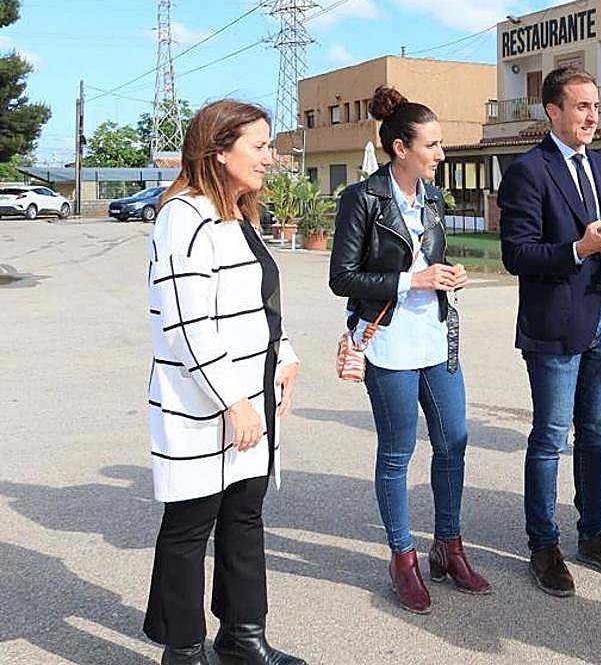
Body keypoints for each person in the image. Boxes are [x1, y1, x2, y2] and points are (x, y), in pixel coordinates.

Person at [144, 100, 304, 665]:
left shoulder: (241, 214)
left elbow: (259, 299)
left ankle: (242, 635)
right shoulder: (181, 218)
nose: (270, 156)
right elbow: (186, 324)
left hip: (251, 393)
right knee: (191, 523)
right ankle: (183, 649)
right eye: (259, 146)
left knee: (244, 515)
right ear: (218, 149)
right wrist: (233, 400)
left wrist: (283, 357)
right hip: (203, 401)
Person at [328, 86, 489, 615]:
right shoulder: (363, 199)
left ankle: (449, 547)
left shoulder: (434, 198)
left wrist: (449, 279)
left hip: (436, 337)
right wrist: (411, 280)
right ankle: (403, 559)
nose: (441, 154)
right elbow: (342, 277)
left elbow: (432, 265)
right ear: (401, 148)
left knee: (454, 444)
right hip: (389, 339)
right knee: (398, 453)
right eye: (434, 144)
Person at [498, 66, 601, 597]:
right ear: (552, 111)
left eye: (596, 107)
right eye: (582, 106)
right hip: (555, 326)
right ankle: (543, 544)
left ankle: (593, 534)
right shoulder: (527, 171)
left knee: (597, 438)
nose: (592, 116)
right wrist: (578, 251)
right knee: (550, 439)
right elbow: (517, 254)